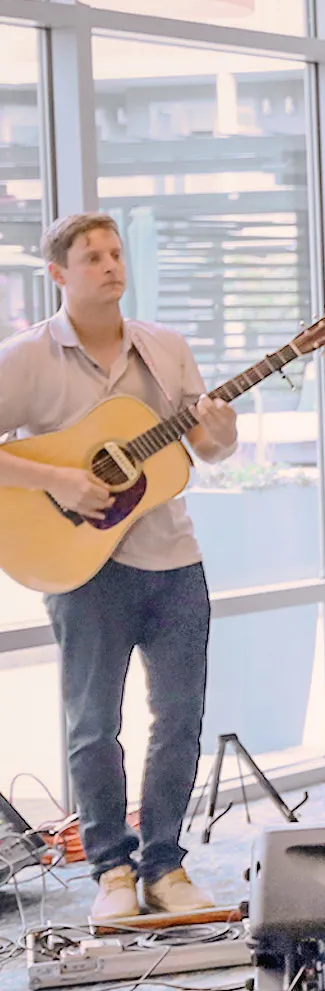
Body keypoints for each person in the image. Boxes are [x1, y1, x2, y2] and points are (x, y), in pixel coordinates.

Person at [0, 213, 235, 925]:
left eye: (115, 253)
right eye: (92, 257)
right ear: (59, 276)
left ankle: (164, 862)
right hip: (83, 567)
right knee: (93, 724)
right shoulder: (27, 358)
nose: (109, 266)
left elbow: (208, 448)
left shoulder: (165, 349)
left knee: (179, 719)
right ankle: (111, 869)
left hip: (173, 558)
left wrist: (219, 430)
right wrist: (61, 483)